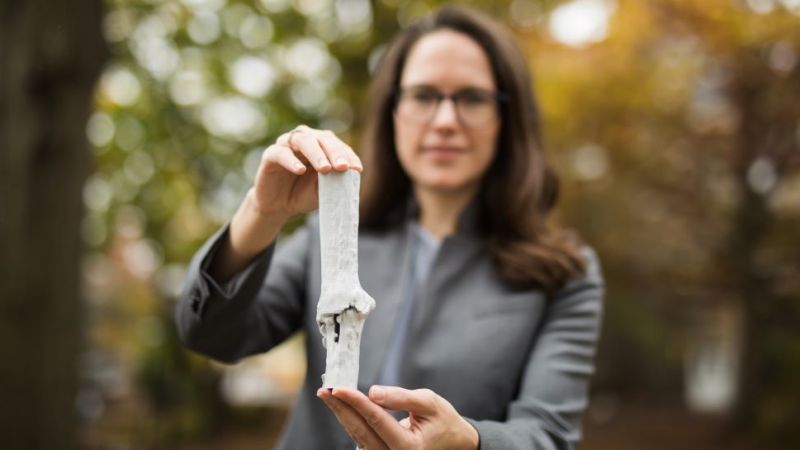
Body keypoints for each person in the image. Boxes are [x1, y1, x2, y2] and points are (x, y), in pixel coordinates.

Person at [176, 5, 604, 450]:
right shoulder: (331, 239)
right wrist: (262, 214)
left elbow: (548, 435)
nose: (444, 121)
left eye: (472, 98)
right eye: (423, 95)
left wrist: (471, 442)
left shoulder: (565, 274)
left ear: (505, 118)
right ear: (393, 111)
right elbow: (210, 335)